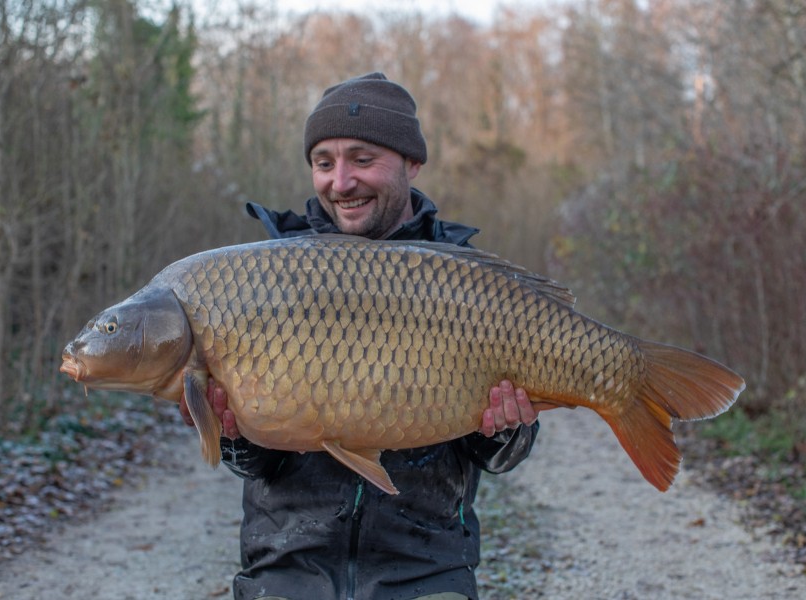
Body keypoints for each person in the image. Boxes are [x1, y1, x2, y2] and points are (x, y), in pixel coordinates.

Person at [180, 72, 540, 600]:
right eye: (324, 163)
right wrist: (233, 433)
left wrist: (502, 428)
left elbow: (503, 457)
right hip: (285, 572)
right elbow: (258, 466)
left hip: (425, 577)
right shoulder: (266, 279)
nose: (340, 182)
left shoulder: (468, 281)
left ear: (412, 164)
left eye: (362, 159)